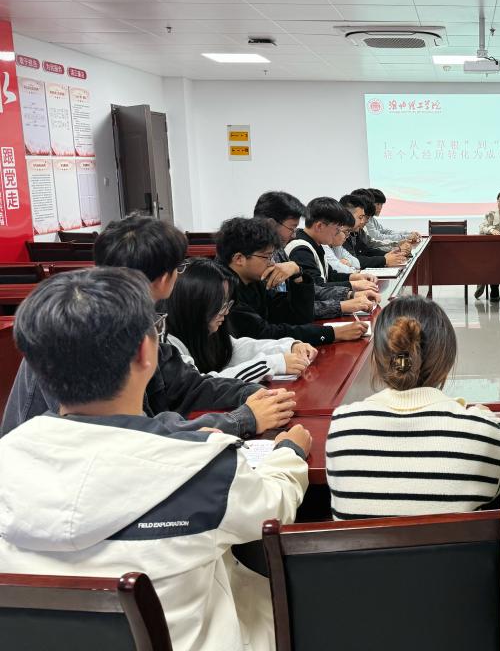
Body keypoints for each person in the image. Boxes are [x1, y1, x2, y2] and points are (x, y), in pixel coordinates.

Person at [0, 267, 311, 651]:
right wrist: (289, 454)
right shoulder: (204, 469)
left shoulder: (8, 458)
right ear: (145, 352)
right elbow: (273, 509)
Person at [1, 215, 294, 440]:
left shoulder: (139, 316)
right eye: (180, 267)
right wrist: (240, 420)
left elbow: (184, 384)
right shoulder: (90, 327)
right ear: (167, 278)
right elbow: (125, 429)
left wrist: (250, 393)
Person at [326, 295, 500, 520]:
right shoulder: (479, 432)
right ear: (447, 363)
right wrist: (486, 417)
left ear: (376, 360)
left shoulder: (342, 428)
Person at [166, 258, 318, 383]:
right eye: (220, 305)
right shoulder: (168, 345)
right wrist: (272, 364)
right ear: (195, 303)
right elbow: (202, 386)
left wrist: (289, 347)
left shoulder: (207, 330)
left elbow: (237, 348)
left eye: (228, 304)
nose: (226, 312)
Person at [216, 216, 362, 345]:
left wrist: (298, 275)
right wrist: (331, 333)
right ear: (239, 259)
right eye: (267, 257)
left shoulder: (255, 280)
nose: (271, 263)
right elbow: (265, 333)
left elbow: (296, 317)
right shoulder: (222, 289)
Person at [283, 197, 379, 318]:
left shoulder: (317, 244)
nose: (338, 233)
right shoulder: (301, 250)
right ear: (320, 226)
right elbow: (316, 288)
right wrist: (351, 291)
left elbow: (330, 275)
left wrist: (355, 278)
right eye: (337, 229)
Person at [341, 193, 408, 269]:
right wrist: (384, 259)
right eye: (360, 217)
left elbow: (366, 250)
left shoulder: (354, 232)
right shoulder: (342, 234)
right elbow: (354, 260)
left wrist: (389, 256)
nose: (363, 221)